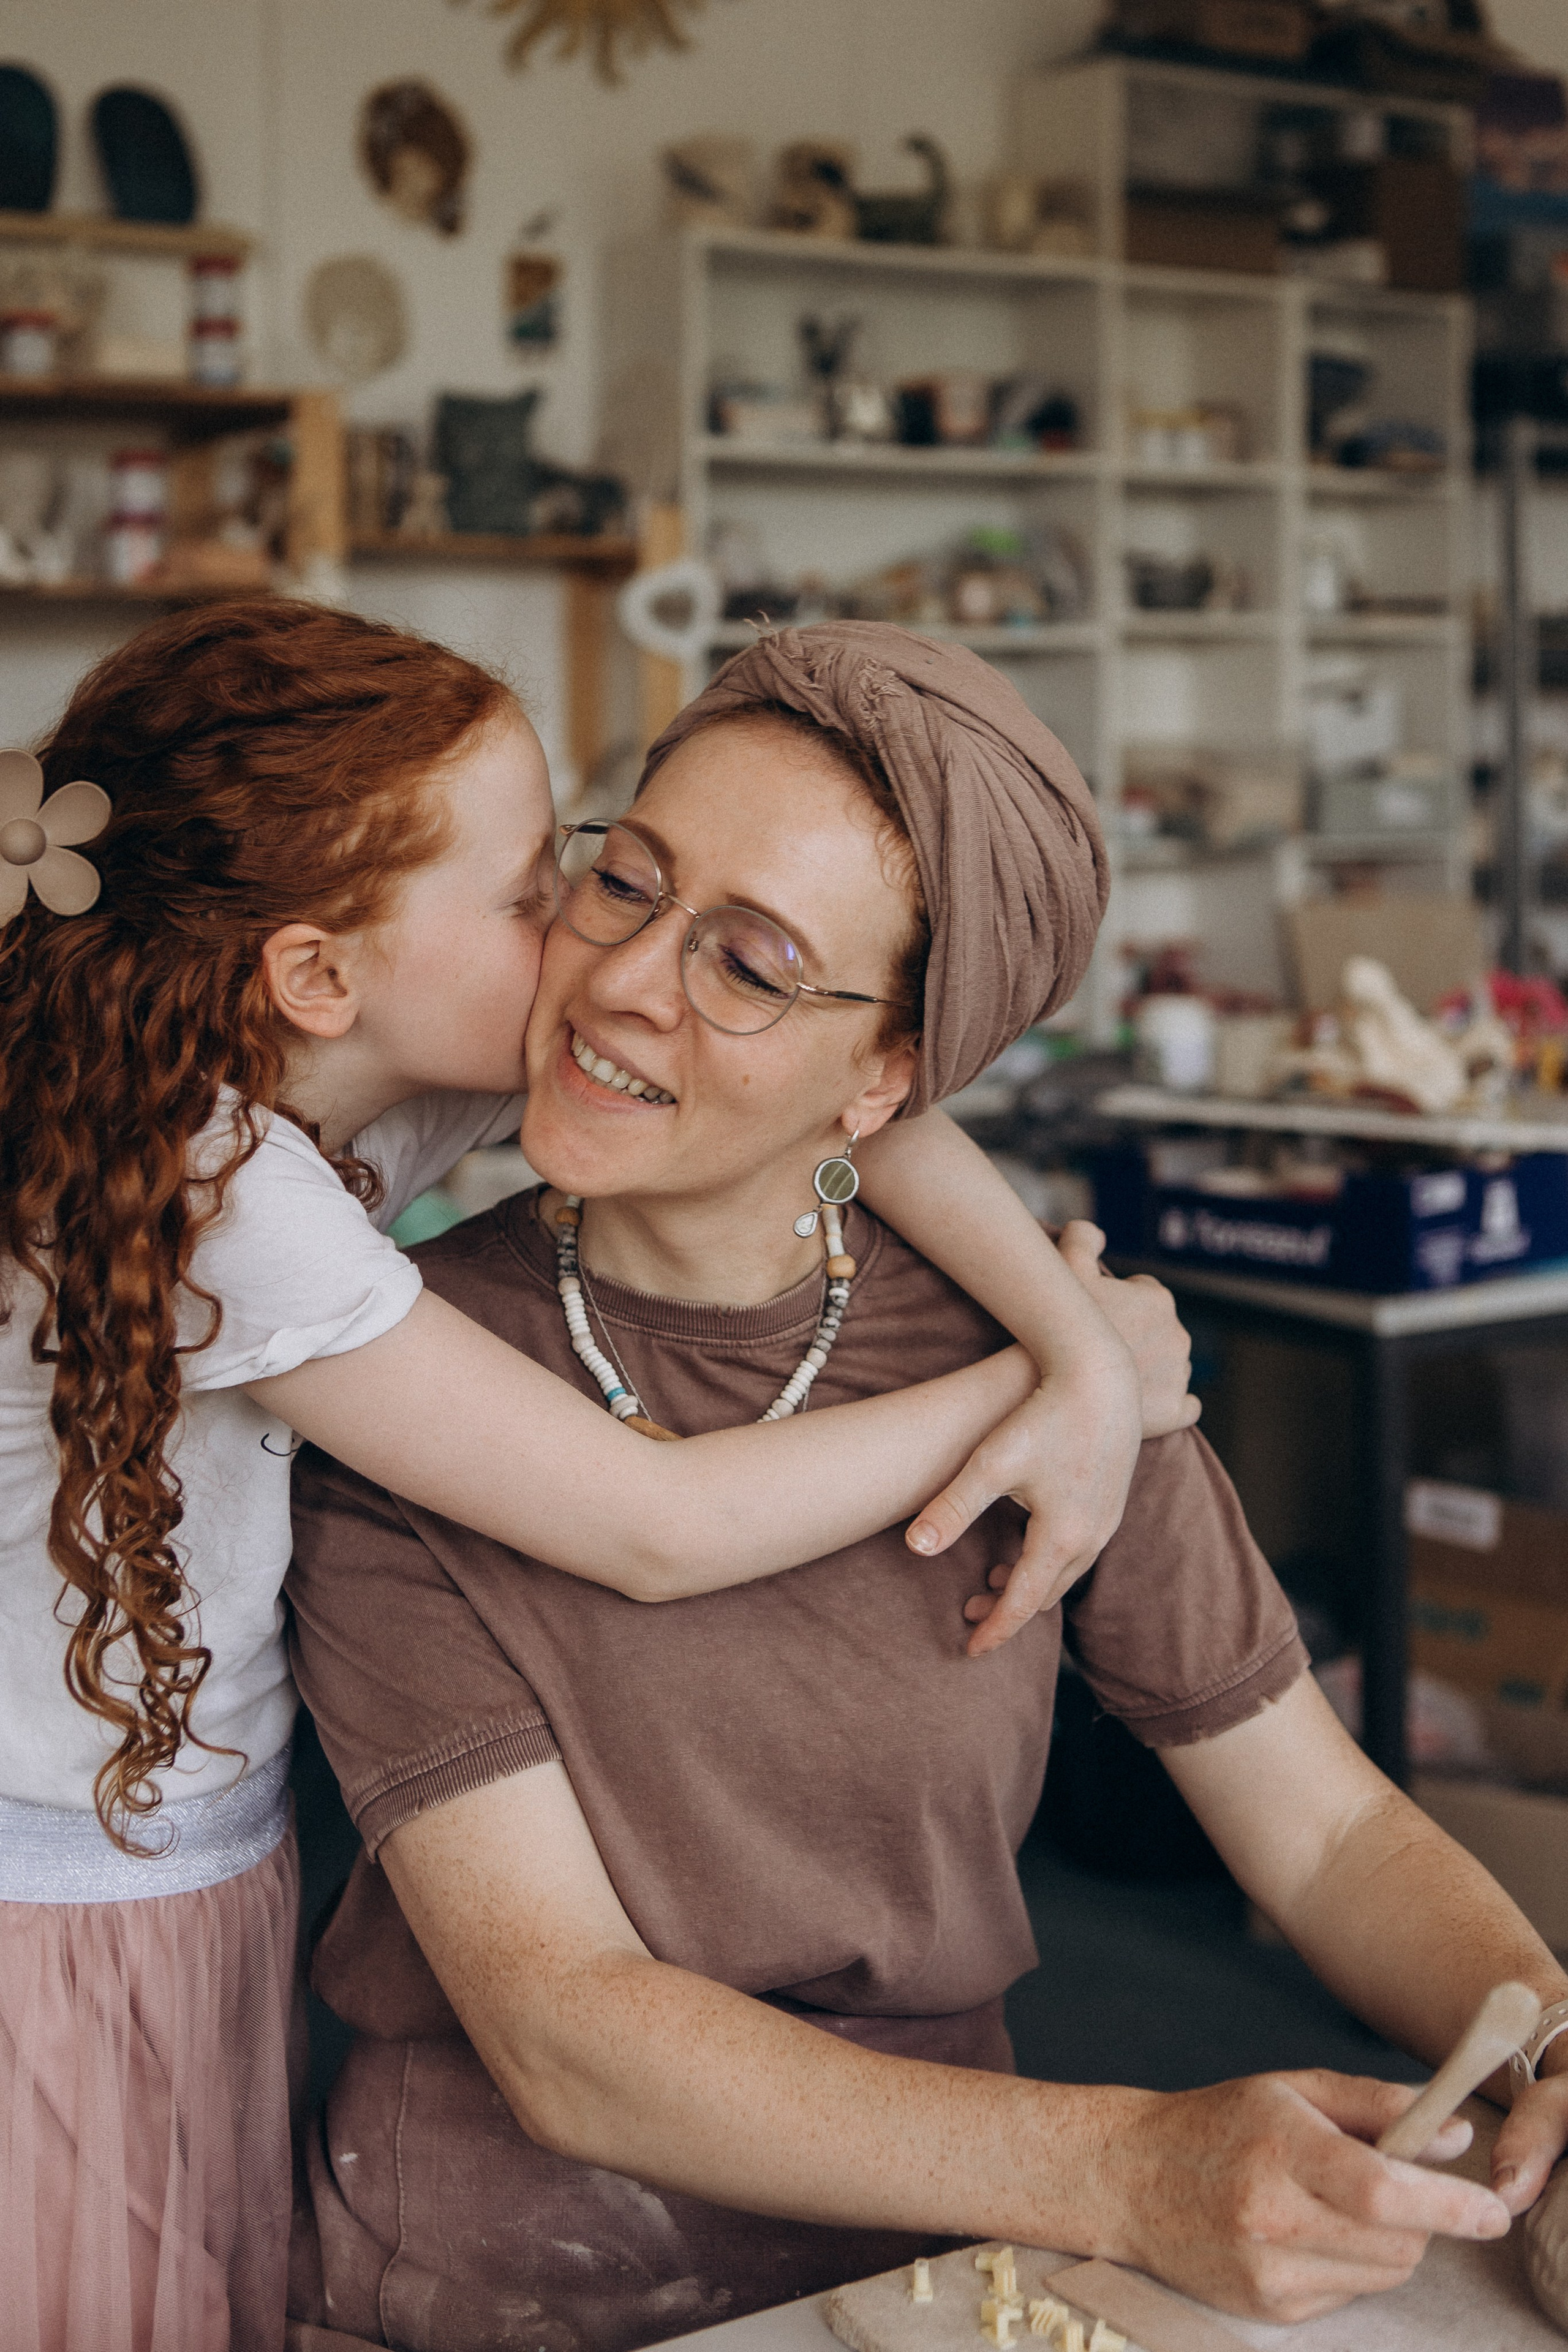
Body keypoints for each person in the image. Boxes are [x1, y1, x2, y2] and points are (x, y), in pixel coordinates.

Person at [285, 623, 1568, 2352]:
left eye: (752, 963)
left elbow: (1326, 1832)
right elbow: (567, 2023)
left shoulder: (1067, 1389)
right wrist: (1128, 2167)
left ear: (887, 1079)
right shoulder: (408, 1376)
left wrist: (1553, 2041)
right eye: (627, 884)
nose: (628, 982)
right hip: (507, 2276)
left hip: (950, 2271)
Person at [0, 601, 1189, 2352]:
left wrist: (1074, 1345)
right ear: (320, 970)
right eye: (536, 890)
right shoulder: (214, 1187)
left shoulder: (326, 1073)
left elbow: (849, 1095)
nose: (583, 936)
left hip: (186, 1858)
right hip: (66, 1903)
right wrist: (1010, 1389)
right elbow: (654, 1521)